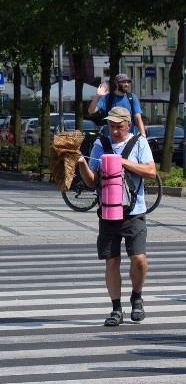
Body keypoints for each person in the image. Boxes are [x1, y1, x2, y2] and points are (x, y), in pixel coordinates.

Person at [76, 107, 156, 326]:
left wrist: (123, 162)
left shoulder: (138, 142)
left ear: (127, 125)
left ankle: (137, 298)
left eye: (119, 127)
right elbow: (92, 181)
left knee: (138, 259)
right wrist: (82, 164)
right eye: (112, 126)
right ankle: (116, 309)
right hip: (108, 212)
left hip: (134, 211)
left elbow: (151, 171)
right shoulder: (101, 144)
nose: (115, 131)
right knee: (111, 261)